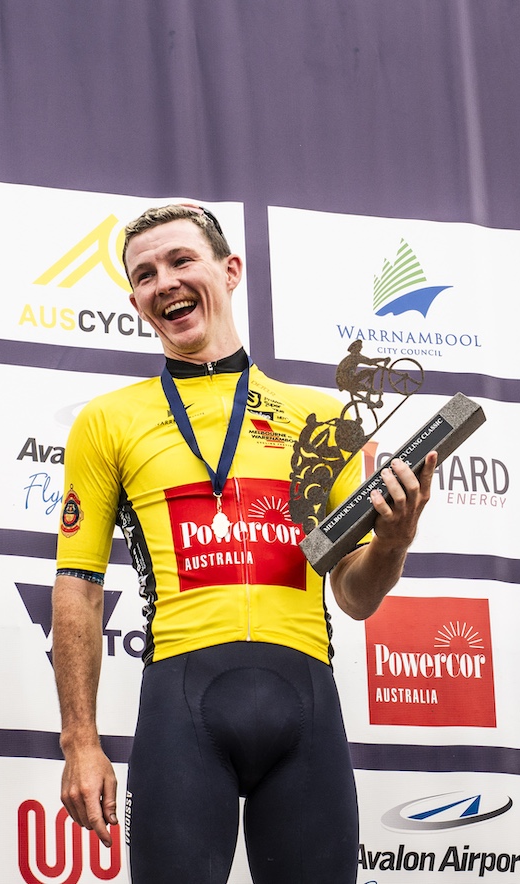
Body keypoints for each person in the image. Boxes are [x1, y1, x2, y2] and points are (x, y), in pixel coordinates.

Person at [52, 204, 437, 884]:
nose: (163, 282)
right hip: (183, 705)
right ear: (136, 299)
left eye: (180, 261)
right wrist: (80, 741)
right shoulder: (108, 420)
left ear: (229, 271)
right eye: (144, 274)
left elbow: (352, 593)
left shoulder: (321, 418)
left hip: (305, 707)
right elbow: (79, 589)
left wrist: (394, 541)